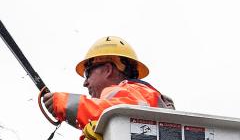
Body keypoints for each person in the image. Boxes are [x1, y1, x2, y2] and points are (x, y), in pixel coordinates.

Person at [42, 36, 174, 129]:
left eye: (87, 74)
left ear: (107, 69)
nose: (85, 83)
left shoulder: (138, 92)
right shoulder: (141, 95)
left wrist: (65, 103)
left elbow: (112, 113)